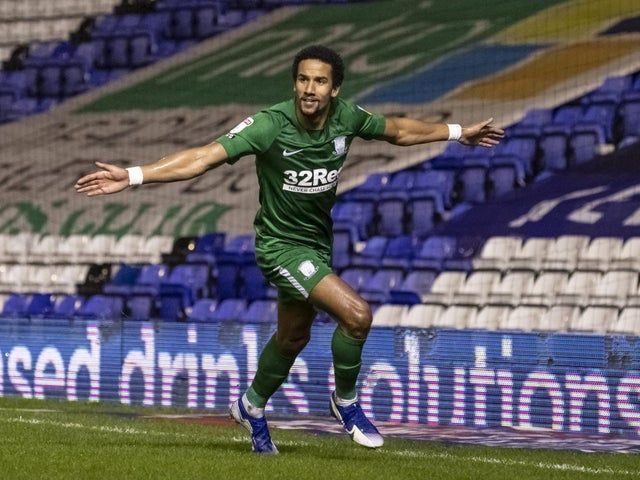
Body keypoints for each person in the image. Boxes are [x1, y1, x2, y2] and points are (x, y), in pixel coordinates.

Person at [75, 45, 504, 454]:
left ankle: (250, 405)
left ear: (334, 90)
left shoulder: (347, 118)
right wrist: (133, 175)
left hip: (316, 245)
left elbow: (397, 130)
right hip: (279, 246)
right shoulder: (269, 125)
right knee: (357, 316)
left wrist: (456, 132)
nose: (309, 89)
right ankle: (346, 403)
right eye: (302, 79)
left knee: (293, 336)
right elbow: (203, 157)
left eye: (319, 81)